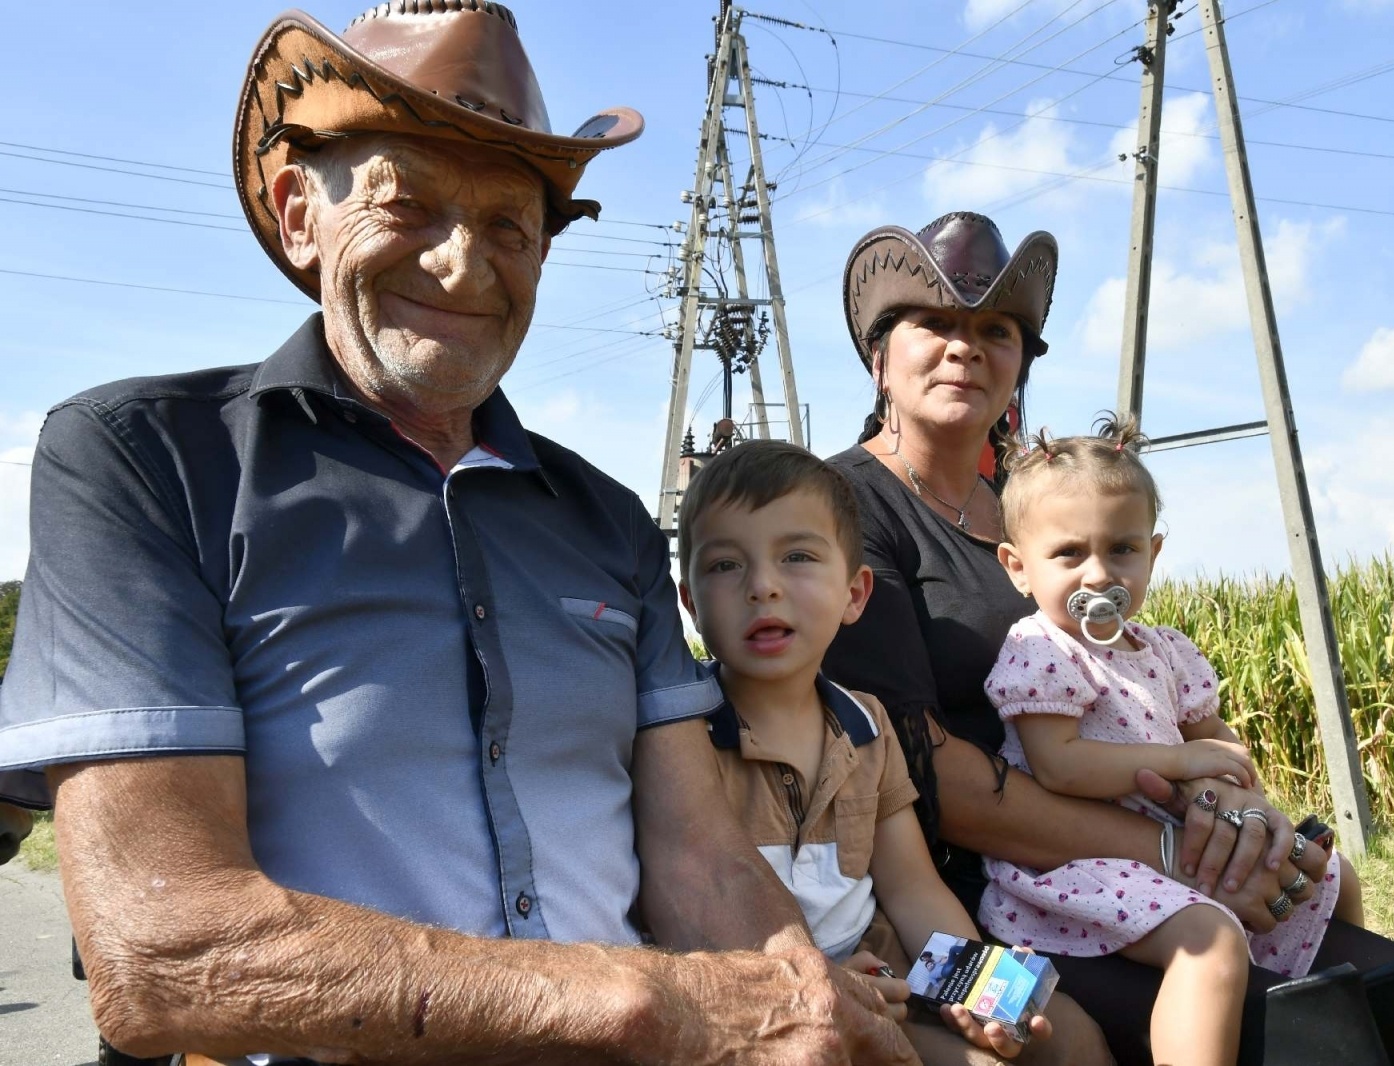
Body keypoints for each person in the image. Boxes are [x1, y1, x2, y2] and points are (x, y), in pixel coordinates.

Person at [0, 7, 912, 1064]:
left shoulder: (607, 519)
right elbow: (168, 948)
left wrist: (802, 1001)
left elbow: (700, 858)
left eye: (510, 227)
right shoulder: (147, 460)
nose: (463, 263)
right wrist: (651, 1004)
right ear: (300, 215)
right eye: (407, 203)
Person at [821, 210, 1394, 1064]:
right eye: (934, 323)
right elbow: (926, 775)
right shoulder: (845, 508)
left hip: (1144, 860)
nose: (965, 347)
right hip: (986, 892)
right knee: (1297, 1036)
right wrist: (1178, 852)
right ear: (879, 356)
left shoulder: (1046, 502)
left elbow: (1154, 699)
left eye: (996, 329)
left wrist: (1237, 816)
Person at [673, 439, 1111, 1065]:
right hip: (749, 1004)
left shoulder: (868, 727)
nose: (762, 586)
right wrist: (813, 984)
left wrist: (979, 992)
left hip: (879, 971)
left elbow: (911, 888)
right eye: (724, 565)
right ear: (690, 602)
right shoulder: (681, 734)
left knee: (1068, 1039)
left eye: (797, 557)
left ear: (855, 595)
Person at [979, 418, 1365, 1066]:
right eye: (1069, 554)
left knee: (1332, 876)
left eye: (1121, 549)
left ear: (1153, 554)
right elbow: (1059, 766)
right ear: (1018, 567)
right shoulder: (1042, 650)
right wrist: (1181, 761)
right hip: (1076, 868)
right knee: (1207, 942)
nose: (1098, 575)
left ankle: (1349, 1020)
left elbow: (1212, 737)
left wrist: (1235, 780)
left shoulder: (1162, 650)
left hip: (1176, 849)